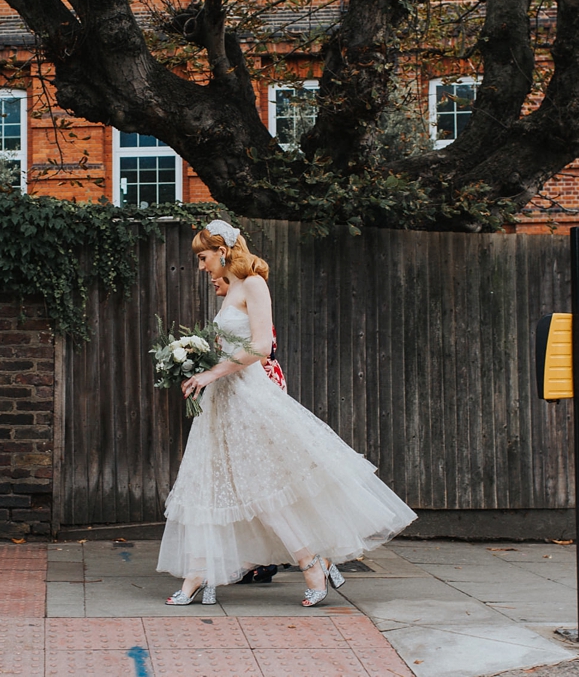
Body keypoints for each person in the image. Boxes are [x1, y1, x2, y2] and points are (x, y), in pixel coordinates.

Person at [158, 219, 417, 607]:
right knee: (208, 484)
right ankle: (202, 571)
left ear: (223, 251)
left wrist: (213, 370)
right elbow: (229, 347)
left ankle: (309, 561)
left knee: (261, 489)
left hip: (248, 399)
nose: (200, 266)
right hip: (221, 403)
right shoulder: (228, 293)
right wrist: (198, 364)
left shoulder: (254, 285)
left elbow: (261, 346)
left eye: (203, 256)